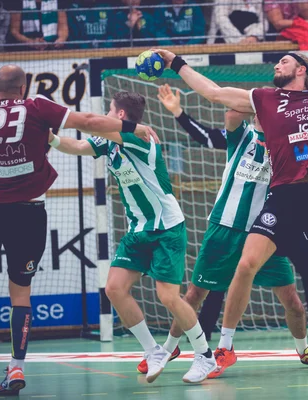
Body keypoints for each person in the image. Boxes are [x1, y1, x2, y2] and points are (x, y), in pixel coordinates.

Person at [152, 45, 308, 377]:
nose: (277, 64)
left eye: (285, 60)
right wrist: (176, 63)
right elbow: (215, 93)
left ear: (301, 70)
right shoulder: (265, 99)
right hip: (280, 196)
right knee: (246, 264)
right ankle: (226, 347)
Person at [0, 65, 156, 396]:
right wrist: (132, 126)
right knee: (21, 296)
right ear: (24, 87)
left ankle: (15, 367)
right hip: (30, 215)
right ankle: (16, 368)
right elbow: (89, 122)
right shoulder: (37, 107)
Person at [135, 85, 308, 377]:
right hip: (224, 228)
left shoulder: (287, 144)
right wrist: (262, 105)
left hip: (265, 233)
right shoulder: (243, 135)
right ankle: (168, 348)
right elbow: (231, 113)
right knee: (194, 295)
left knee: (292, 301)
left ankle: (304, 349)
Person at [47, 91, 217, 384]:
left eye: (110, 110)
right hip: (138, 229)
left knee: (168, 297)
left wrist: (49, 114)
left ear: (121, 115)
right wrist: (50, 138)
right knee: (114, 288)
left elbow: (91, 125)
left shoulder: (141, 139)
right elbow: (76, 145)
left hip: (166, 228)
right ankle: (152, 351)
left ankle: (205, 356)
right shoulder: (111, 143)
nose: (106, 115)